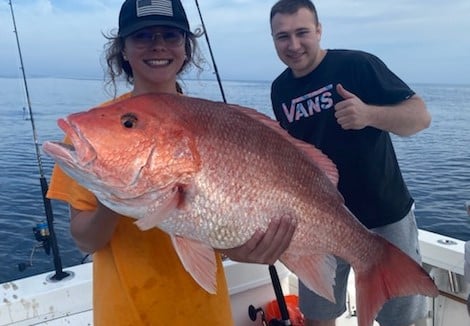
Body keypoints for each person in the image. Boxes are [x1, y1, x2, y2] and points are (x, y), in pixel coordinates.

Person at [47, 0, 296, 325]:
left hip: (206, 315)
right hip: (124, 315)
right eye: (142, 36)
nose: (158, 46)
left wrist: (244, 249)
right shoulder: (94, 132)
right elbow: (85, 239)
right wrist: (114, 196)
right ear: (122, 49)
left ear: (186, 48)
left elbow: (221, 237)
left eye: (170, 35)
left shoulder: (218, 124)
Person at [268, 1, 432, 326]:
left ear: (319, 30)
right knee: (317, 315)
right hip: (319, 218)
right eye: (282, 36)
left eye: (302, 32)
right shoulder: (280, 89)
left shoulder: (357, 65)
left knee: (400, 320)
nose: (294, 45)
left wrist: (369, 114)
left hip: (385, 215)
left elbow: (420, 117)